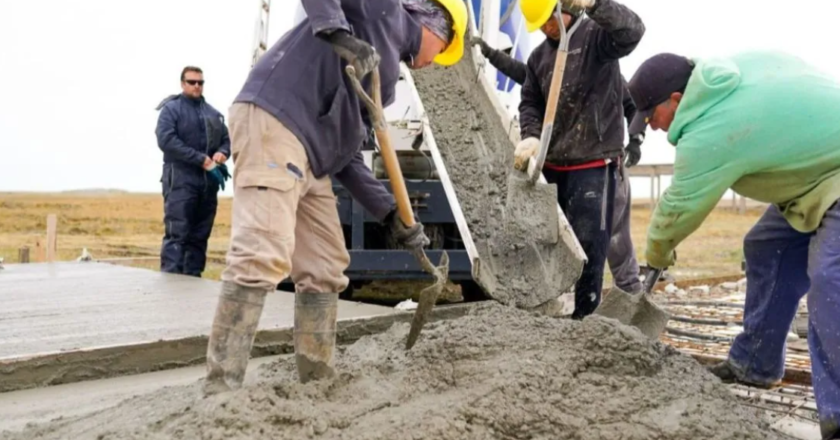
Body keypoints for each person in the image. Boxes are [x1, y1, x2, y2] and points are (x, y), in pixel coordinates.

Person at [202, 0, 467, 395]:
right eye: (443, 52)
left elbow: (346, 157)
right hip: (276, 119)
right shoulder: (384, 10)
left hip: (314, 154)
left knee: (325, 265)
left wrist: (390, 213)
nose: (434, 62)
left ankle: (316, 380)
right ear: (437, 27)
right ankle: (220, 391)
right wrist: (338, 34)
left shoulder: (386, 77)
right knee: (262, 253)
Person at [627, 51, 840, 439]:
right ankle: (755, 364)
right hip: (812, 177)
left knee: (829, 283)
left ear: (676, 99)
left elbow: (677, 209)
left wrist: (656, 257)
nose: (653, 127)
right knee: (765, 246)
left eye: (651, 115)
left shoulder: (711, 126)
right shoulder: (723, 80)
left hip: (835, 170)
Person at [472, 36, 645, 293]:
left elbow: (632, 106)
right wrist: (492, 55)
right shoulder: (549, 64)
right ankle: (572, 302)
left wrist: (635, 138)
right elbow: (526, 76)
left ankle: (630, 295)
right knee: (567, 240)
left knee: (613, 238)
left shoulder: (603, 69)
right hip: (564, 169)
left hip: (603, 167)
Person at [515, 0, 645, 319]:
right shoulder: (539, 58)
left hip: (593, 164)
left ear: (564, 9)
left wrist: (597, 4)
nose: (546, 28)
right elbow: (530, 102)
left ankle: (584, 318)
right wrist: (531, 135)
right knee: (548, 244)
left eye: (549, 20)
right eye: (541, 24)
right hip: (554, 165)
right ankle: (547, 313)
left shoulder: (597, 38)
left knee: (589, 247)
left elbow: (633, 31)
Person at [155, 66, 231, 278]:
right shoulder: (171, 110)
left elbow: (227, 140)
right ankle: (171, 280)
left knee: (200, 234)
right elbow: (166, 140)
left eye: (200, 82)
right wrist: (200, 159)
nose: (197, 86)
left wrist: (222, 153)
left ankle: (193, 280)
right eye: (192, 82)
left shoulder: (213, 113)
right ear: (182, 83)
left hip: (208, 182)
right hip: (179, 179)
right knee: (177, 233)